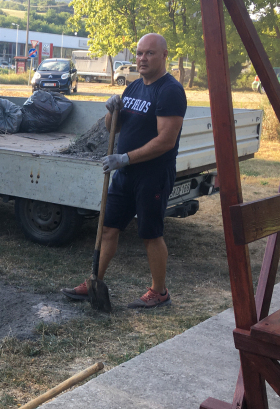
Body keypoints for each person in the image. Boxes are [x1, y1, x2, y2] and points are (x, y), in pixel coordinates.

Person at [61, 33, 187, 309]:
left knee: (150, 233)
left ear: (164, 55)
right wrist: (111, 111)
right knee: (107, 228)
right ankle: (94, 281)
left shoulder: (169, 91)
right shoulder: (133, 88)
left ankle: (159, 291)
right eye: (139, 53)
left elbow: (166, 140)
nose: (142, 58)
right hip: (125, 173)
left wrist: (125, 158)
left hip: (152, 175)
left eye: (150, 53)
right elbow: (113, 128)